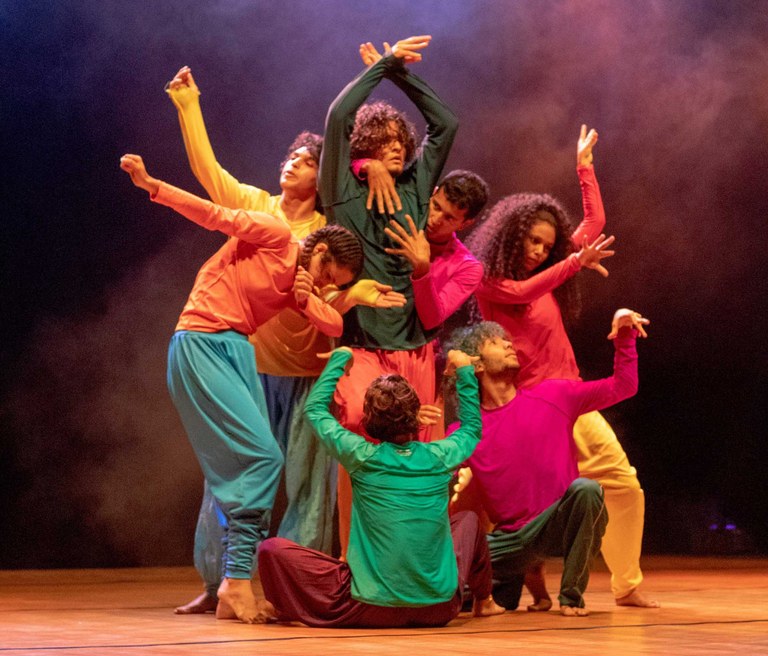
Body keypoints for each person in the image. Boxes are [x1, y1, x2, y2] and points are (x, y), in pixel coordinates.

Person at [165, 67, 405, 614]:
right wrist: (189, 106)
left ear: (322, 177)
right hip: (248, 364)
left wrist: (348, 298)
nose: (291, 164)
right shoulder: (260, 208)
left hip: (305, 373)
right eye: (291, 157)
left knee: (308, 488)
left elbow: (328, 306)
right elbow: (207, 174)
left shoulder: (329, 230)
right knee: (232, 472)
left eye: (305, 161)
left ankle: (287, 583)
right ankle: (220, 580)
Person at [119, 153, 363, 623]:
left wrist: (312, 298)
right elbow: (213, 214)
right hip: (203, 340)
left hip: (235, 349)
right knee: (264, 459)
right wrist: (152, 185)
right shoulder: (275, 235)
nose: (325, 285)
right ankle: (232, 581)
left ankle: (235, 581)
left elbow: (334, 323)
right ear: (320, 252)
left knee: (251, 467)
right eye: (329, 275)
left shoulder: (299, 284)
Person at [466, 126, 659, 608]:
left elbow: (594, 223)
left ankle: (626, 584)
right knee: (489, 497)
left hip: (568, 398)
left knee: (623, 483)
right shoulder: (489, 280)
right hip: (526, 409)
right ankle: (474, 580)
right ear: (512, 237)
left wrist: (584, 167)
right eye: (531, 241)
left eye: (546, 245)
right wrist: (573, 263)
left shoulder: (549, 272)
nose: (538, 251)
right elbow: (521, 292)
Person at [319, 35, 461, 555]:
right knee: (360, 446)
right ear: (362, 151)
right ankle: (353, 561)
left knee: (423, 456)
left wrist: (401, 71)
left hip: (415, 347)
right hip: (362, 347)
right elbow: (338, 116)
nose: (397, 145)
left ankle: (419, 563)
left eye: (401, 138)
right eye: (383, 141)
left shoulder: (415, 190)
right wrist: (381, 64)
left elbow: (446, 123)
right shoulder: (341, 190)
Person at [254, 347, 505, 627]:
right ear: (415, 417)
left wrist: (340, 359)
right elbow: (471, 429)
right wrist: (464, 370)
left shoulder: (361, 456)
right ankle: (485, 601)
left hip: (367, 607)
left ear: (369, 422)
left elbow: (314, 410)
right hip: (438, 608)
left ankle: (281, 608)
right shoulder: (439, 456)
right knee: (468, 520)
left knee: (271, 549)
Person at [446, 309, 650, 616]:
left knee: (587, 490)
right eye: (496, 342)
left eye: (507, 340)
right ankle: (501, 587)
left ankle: (571, 597)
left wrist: (624, 336)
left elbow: (624, 386)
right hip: (510, 541)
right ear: (476, 364)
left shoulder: (555, 395)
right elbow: (429, 467)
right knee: (444, 580)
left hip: (557, 525)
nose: (509, 344)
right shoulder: (466, 432)